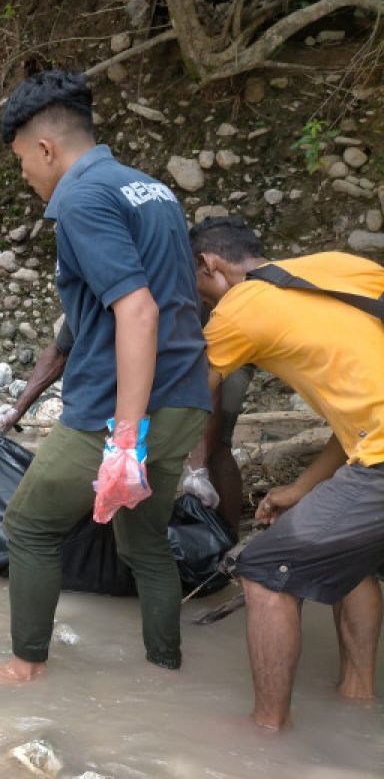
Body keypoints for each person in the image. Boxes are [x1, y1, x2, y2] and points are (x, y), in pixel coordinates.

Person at [0, 70, 211, 681]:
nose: (25, 176)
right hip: (186, 401)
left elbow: (137, 310)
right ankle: (164, 670)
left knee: (29, 525)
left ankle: (23, 669)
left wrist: (123, 436)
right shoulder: (151, 189)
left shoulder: (82, 199)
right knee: (144, 546)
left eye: (21, 161)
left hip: (120, 407)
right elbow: (157, 299)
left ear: (46, 148)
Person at [189, 215, 384, 731]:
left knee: (264, 573)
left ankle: (267, 733)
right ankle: (357, 694)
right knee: (350, 555)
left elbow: (188, 396)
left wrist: (142, 459)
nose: (208, 305)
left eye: (201, 292)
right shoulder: (339, 267)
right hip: (374, 448)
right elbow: (363, 420)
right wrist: (300, 489)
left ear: (210, 265)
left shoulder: (238, 309)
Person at [0, 320, 254, 534]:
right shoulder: (89, 292)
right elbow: (60, 352)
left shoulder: (167, 294)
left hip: (220, 353)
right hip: (167, 381)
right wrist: (17, 409)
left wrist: (198, 467)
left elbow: (201, 390)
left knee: (218, 446)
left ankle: (226, 542)